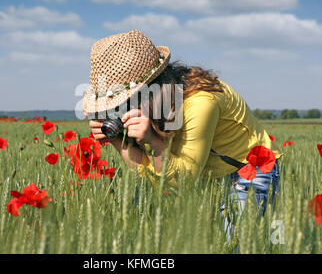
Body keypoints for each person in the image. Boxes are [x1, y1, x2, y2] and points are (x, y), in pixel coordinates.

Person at [83, 30, 282, 240]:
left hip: (249, 169)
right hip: (205, 173)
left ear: (152, 90)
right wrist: (117, 140)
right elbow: (154, 176)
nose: (122, 109)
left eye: (124, 102)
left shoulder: (201, 103)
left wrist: (153, 140)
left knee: (237, 244)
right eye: (116, 106)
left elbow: (182, 180)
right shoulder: (159, 104)